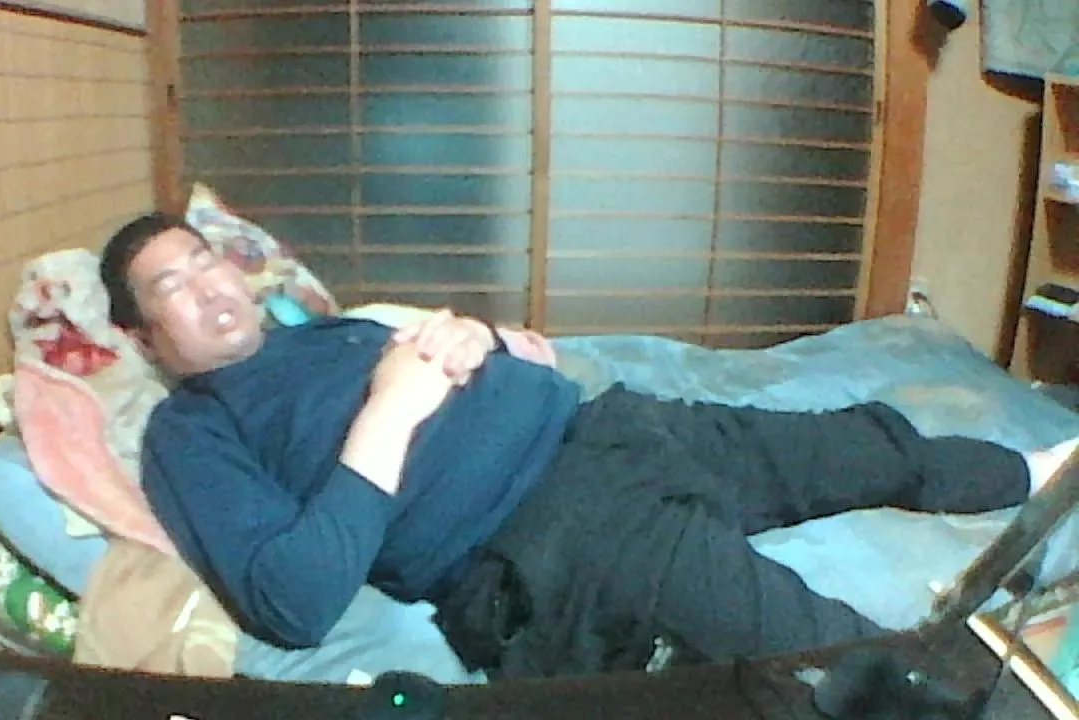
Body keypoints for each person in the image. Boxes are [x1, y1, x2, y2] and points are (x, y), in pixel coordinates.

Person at [98, 211, 1078, 679]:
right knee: (818, 649)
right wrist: (390, 408)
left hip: (608, 428)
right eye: (169, 287)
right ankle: (980, 695)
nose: (207, 285)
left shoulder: (325, 330)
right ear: (142, 338)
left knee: (846, 445)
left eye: (204, 260)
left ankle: (1030, 473)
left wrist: (488, 344)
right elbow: (294, 600)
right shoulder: (190, 432)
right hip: (544, 533)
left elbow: (454, 353)